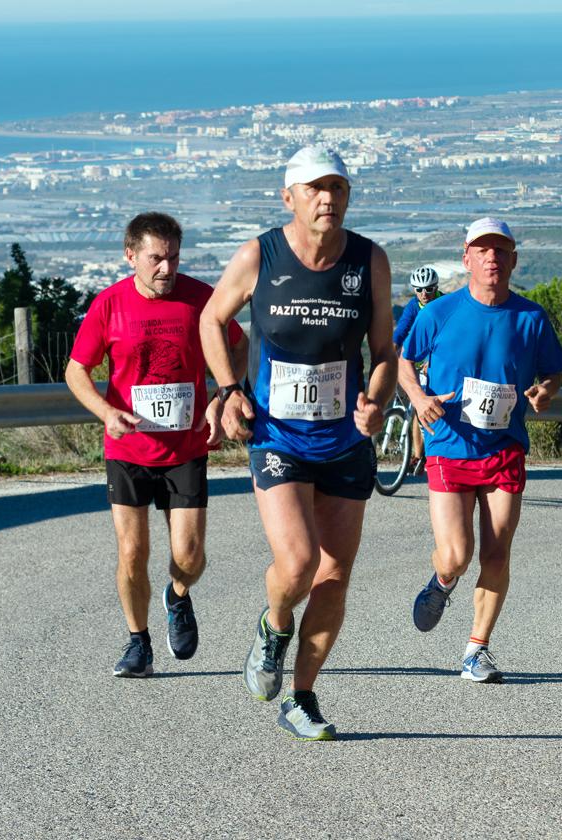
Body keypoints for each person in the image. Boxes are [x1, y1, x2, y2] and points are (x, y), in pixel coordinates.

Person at [200, 145, 396, 740]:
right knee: (300, 562)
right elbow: (212, 319)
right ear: (289, 197)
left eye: (336, 186)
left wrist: (377, 398)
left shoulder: (369, 260)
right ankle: (274, 624)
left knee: (335, 573)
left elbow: (385, 351)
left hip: (344, 439)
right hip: (278, 435)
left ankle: (303, 697)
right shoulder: (260, 255)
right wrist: (230, 389)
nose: (327, 197)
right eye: (314, 188)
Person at [65, 211, 247, 678]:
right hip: (127, 449)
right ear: (131, 256)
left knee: (189, 555)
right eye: (156, 259)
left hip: (186, 447)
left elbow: (239, 344)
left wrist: (222, 396)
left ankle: (178, 596)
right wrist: (106, 412)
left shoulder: (201, 300)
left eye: (174, 258)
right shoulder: (109, 305)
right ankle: (137, 642)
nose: (167, 269)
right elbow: (75, 371)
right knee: (132, 552)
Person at [399, 217, 562, 683]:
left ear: (513, 260)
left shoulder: (531, 317)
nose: (492, 257)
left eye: (501, 250)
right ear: (467, 258)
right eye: (483, 249)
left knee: (497, 554)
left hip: (505, 447)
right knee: (456, 553)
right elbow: (404, 362)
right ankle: (442, 582)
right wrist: (418, 398)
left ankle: (477, 649)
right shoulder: (440, 313)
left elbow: (553, 372)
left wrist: (546, 391)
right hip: (451, 444)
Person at [393, 265, 443, 471]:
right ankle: (416, 456)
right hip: (418, 360)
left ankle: (435, 452)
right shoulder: (414, 306)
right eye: (419, 289)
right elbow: (402, 329)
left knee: (435, 409)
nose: (424, 294)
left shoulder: (443, 304)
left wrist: (433, 360)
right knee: (417, 408)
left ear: (436, 288)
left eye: (429, 289)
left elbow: (447, 338)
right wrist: (390, 352)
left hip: (439, 359)